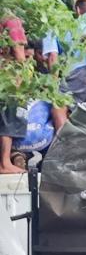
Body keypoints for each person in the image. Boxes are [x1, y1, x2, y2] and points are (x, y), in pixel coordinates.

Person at [42, 0, 86, 130]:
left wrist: (53, 84)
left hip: (75, 71)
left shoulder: (50, 27)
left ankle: (63, 147)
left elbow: (53, 57)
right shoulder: (77, 24)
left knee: (58, 107)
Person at [0, 15, 28, 173]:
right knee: (9, 117)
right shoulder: (11, 18)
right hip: (6, 73)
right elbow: (17, 47)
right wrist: (22, 76)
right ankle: (5, 163)